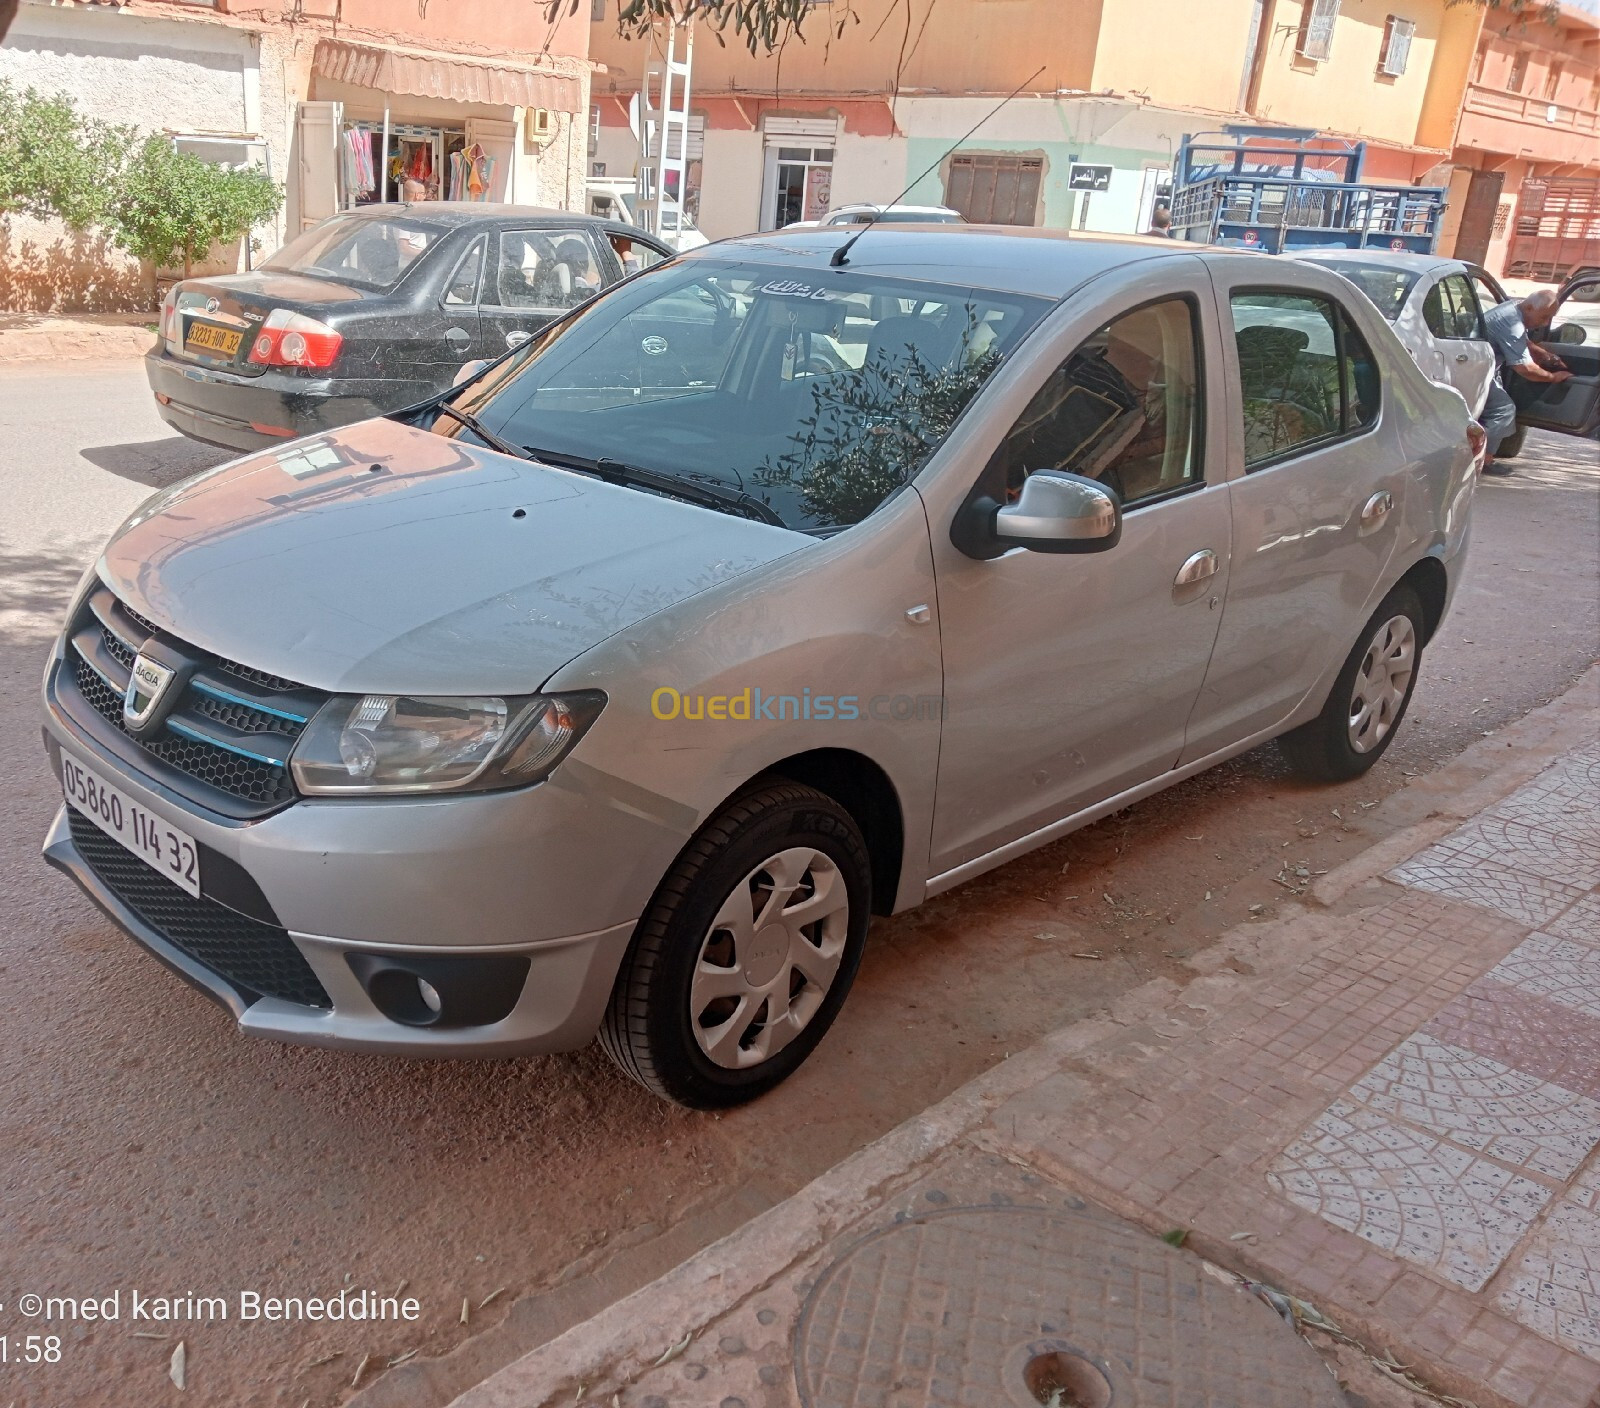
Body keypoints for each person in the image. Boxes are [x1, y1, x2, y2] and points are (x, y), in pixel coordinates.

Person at [1479, 288, 1571, 476]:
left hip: (1483, 366)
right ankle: (1483, 461)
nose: (1544, 323)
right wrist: (1553, 378)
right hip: (1477, 371)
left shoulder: (1513, 308)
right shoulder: (1512, 322)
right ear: (1529, 307)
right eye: (1544, 317)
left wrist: (1542, 353)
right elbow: (1525, 368)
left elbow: (1521, 341)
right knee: (1502, 410)